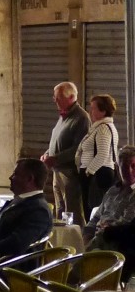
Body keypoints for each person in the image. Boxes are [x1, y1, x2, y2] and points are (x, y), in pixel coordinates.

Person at [0, 158, 53, 269]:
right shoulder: (21, 201)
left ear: (29, 179)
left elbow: (17, 243)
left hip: (4, 269)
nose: (10, 177)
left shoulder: (38, 210)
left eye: (15, 174)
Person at [88, 143, 135, 277]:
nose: (129, 171)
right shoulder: (112, 191)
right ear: (118, 168)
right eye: (124, 166)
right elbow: (96, 217)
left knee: (91, 257)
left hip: (118, 242)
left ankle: (69, 280)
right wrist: (87, 232)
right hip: (98, 237)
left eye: (133, 166)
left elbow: (126, 222)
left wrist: (105, 230)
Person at [42, 80, 86, 220]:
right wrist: (47, 154)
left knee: (72, 211)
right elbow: (57, 140)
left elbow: (79, 148)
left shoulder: (81, 118)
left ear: (71, 97)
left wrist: (55, 158)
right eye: (54, 97)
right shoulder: (64, 116)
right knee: (60, 211)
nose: (55, 100)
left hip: (70, 174)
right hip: (58, 171)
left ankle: (75, 234)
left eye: (59, 97)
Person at [75, 93, 120, 214]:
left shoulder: (103, 128)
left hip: (98, 176)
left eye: (93, 108)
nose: (90, 112)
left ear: (103, 111)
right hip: (95, 174)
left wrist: (88, 172)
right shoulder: (99, 127)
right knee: (90, 208)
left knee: (93, 210)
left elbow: (102, 154)